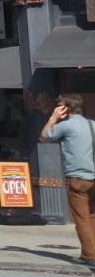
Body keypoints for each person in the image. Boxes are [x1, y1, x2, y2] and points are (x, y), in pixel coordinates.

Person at [39, 94, 95, 267]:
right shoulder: (92, 124)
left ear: (66, 108)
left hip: (77, 178)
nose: (57, 107)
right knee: (92, 215)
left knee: (81, 218)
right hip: (93, 176)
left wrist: (53, 118)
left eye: (59, 105)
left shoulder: (66, 126)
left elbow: (44, 137)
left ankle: (89, 255)